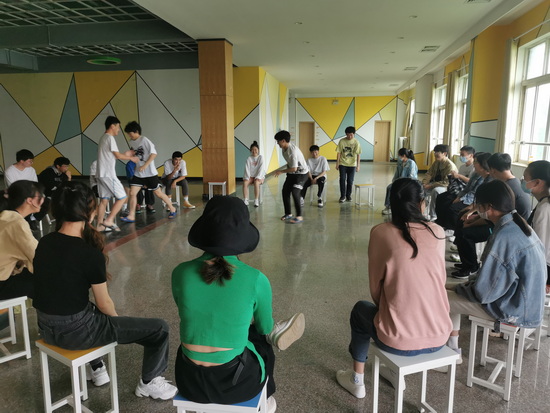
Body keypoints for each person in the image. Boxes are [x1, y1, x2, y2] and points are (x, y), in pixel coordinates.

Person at [33, 181, 178, 400]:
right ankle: (149, 382)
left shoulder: (44, 242)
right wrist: (118, 325)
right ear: (90, 211)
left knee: (88, 310)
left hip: (46, 328)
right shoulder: (89, 253)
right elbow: (104, 304)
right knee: (159, 329)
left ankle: (97, 368)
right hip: (77, 334)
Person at [172, 196, 305, 410]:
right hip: (236, 383)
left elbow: (191, 310)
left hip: (189, 380)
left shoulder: (180, 273)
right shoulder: (256, 278)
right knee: (261, 338)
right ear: (242, 236)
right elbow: (263, 327)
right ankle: (267, 396)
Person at [336, 178, 452, 398]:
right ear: (422, 203)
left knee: (360, 310)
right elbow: (439, 281)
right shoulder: (438, 231)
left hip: (396, 339)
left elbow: (376, 288)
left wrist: (392, 309)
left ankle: (357, 380)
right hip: (440, 334)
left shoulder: (381, 232)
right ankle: (391, 371)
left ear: (392, 203)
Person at [445, 180, 546, 360]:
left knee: (444, 299)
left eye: (478, 205)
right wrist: (462, 286)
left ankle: (450, 353)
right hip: (527, 303)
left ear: (489, 207)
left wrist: (460, 288)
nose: (477, 209)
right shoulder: (518, 224)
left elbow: (484, 293)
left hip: (514, 309)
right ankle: (450, 348)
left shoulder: (504, 236)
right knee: (451, 288)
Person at [451, 153, 531, 279]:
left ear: (492, 170)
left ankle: (471, 267)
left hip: (508, 229)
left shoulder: (507, 187)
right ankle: (468, 262)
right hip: (503, 222)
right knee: (463, 221)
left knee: (465, 233)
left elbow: (495, 216)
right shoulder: (511, 182)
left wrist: (472, 222)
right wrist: (474, 218)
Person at [121, 121, 177, 223]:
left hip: (150, 173)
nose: (129, 135)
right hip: (138, 174)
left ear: (136, 131)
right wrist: (130, 154)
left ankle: (172, 209)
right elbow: (136, 154)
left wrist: (145, 165)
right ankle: (131, 216)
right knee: (132, 193)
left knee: (158, 193)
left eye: (130, 133)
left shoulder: (144, 140)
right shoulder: (132, 142)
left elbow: (154, 154)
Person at [0, 180, 44, 300]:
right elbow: (38, 256)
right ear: (30, 201)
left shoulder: (5, 216)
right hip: (2, 283)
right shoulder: (17, 223)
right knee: (50, 281)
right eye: (40, 197)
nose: (43, 200)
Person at [96, 116, 139, 232]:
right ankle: (109, 220)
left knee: (104, 200)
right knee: (123, 197)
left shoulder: (103, 138)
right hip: (108, 174)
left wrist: (126, 154)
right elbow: (118, 156)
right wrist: (131, 158)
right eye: (118, 127)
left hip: (100, 174)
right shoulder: (110, 138)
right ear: (112, 126)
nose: (119, 130)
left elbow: (111, 156)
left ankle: (99, 225)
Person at [435, 152, 491, 231]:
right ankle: (441, 223)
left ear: (483, 165)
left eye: (476, 162)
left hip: (472, 200)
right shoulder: (475, 174)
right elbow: (467, 188)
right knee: (442, 198)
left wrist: (463, 201)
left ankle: (451, 228)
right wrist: (459, 197)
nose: (474, 164)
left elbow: (474, 194)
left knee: (453, 208)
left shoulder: (488, 179)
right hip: (468, 197)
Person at [523, 160, 550, 294]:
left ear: (538, 182)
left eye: (525, 179)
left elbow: (540, 246)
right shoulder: (543, 203)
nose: (522, 182)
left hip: (544, 267)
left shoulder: (545, 208)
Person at [274, 130, 309, 224]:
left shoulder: (292, 151)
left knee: (295, 192)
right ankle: (288, 213)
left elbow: (294, 168)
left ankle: (299, 216)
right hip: (292, 174)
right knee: (285, 191)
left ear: (283, 141)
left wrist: (281, 171)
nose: (277, 143)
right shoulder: (284, 147)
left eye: (278, 141)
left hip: (301, 174)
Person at [422, 144, 458, 221]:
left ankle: (433, 215)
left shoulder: (450, 165)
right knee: (422, 189)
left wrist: (431, 186)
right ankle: (422, 210)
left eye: (437, 152)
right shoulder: (436, 162)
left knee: (436, 191)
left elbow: (446, 182)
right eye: (435, 152)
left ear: (444, 153)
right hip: (437, 183)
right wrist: (425, 183)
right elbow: (429, 173)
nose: (435, 154)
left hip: (447, 186)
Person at [381, 148, 418, 215]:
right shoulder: (400, 163)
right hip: (400, 182)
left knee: (397, 190)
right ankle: (388, 206)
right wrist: (394, 182)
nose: (398, 157)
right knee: (389, 187)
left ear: (404, 155)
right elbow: (396, 175)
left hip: (408, 183)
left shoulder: (411, 163)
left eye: (399, 155)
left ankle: (394, 207)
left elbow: (411, 177)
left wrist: (401, 184)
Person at [36, 157, 72, 223]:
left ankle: (66, 218)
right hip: (45, 194)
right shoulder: (48, 172)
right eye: (65, 166)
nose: (67, 168)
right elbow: (50, 187)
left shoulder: (63, 174)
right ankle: (34, 219)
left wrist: (68, 178)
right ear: (58, 166)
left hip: (56, 194)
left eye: (67, 166)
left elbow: (66, 185)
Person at [336, 126, 362, 203]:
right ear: (346, 134)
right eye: (348, 135)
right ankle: (342, 196)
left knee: (350, 181)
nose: (350, 136)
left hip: (352, 164)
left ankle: (348, 195)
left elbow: (358, 154)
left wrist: (358, 165)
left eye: (351, 135)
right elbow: (339, 152)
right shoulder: (342, 141)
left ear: (354, 134)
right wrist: (337, 163)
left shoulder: (356, 142)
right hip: (343, 163)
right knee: (342, 179)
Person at [242, 141, 265, 207]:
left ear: (258, 150)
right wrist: (247, 177)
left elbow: (261, 169)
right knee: (245, 183)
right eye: (252, 149)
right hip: (251, 177)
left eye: (255, 149)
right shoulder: (249, 158)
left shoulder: (260, 158)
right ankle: (246, 199)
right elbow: (247, 169)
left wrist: (258, 177)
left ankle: (256, 200)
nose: (254, 151)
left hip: (259, 177)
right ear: (250, 150)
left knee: (256, 182)